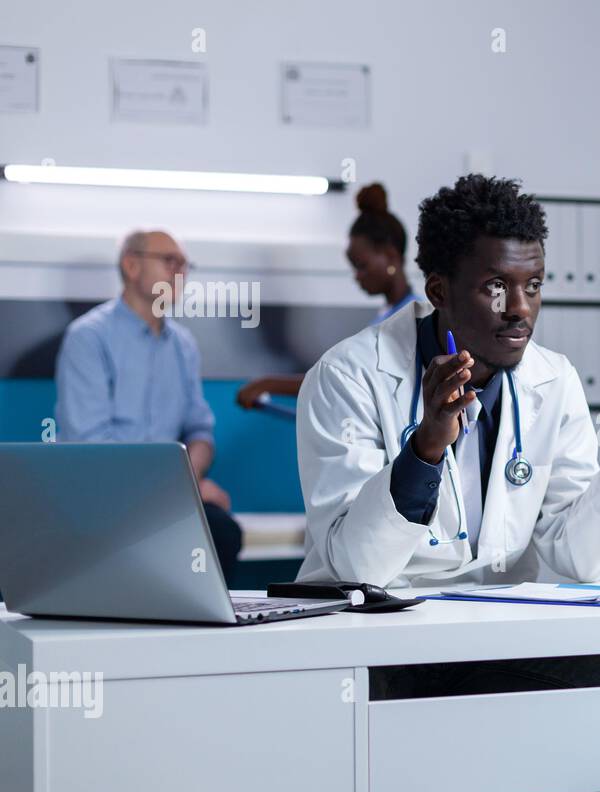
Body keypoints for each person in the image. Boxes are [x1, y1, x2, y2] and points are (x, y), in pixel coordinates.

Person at [295, 173, 600, 792]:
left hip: (489, 634)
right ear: (439, 290)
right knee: (373, 760)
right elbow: (356, 565)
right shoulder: (349, 376)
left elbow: (576, 556)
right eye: (494, 288)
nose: (519, 310)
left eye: (533, 287)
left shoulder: (551, 380)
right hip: (375, 636)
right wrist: (427, 445)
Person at [55, 230, 242, 583]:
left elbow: (200, 431)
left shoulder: (183, 344)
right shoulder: (89, 338)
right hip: (105, 498)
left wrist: (189, 479)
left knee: (223, 532)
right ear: (131, 265)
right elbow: (90, 445)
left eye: (185, 265)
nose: (181, 272)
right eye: (170, 261)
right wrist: (177, 486)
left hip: (167, 497)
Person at [235, 182, 419, 409]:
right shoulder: (388, 317)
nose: (357, 276)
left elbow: (344, 381)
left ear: (391, 257)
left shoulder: (411, 318)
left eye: (362, 266)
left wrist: (269, 383)